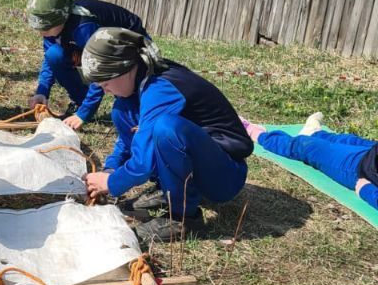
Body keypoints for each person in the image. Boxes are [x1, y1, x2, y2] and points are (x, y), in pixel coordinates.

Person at [81, 28, 253, 243]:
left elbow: (143, 162)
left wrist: (113, 183)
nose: (105, 90)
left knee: (166, 128)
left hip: (225, 175)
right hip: (202, 164)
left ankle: (184, 219)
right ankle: (168, 191)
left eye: (105, 84)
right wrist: (111, 168)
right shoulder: (138, 82)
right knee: (121, 111)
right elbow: (128, 145)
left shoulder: (159, 87)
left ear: (123, 69)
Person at [27, 0, 148, 130]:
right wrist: (43, 90)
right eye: (38, 29)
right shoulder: (53, 26)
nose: (41, 33)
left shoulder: (83, 27)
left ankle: (139, 118)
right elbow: (49, 58)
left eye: (45, 29)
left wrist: (84, 114)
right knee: (54, 55)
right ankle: (80, 101)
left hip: (130, 47)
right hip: (90, 46)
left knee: (126, 91)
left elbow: (101, 71)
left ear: (62, 20)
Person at [244, 113, 378, 212]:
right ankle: (314, 133)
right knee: (350, 140)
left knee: (307, 147)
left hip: (357, 168)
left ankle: (257, 134)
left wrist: (366, 191)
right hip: (372, 153)